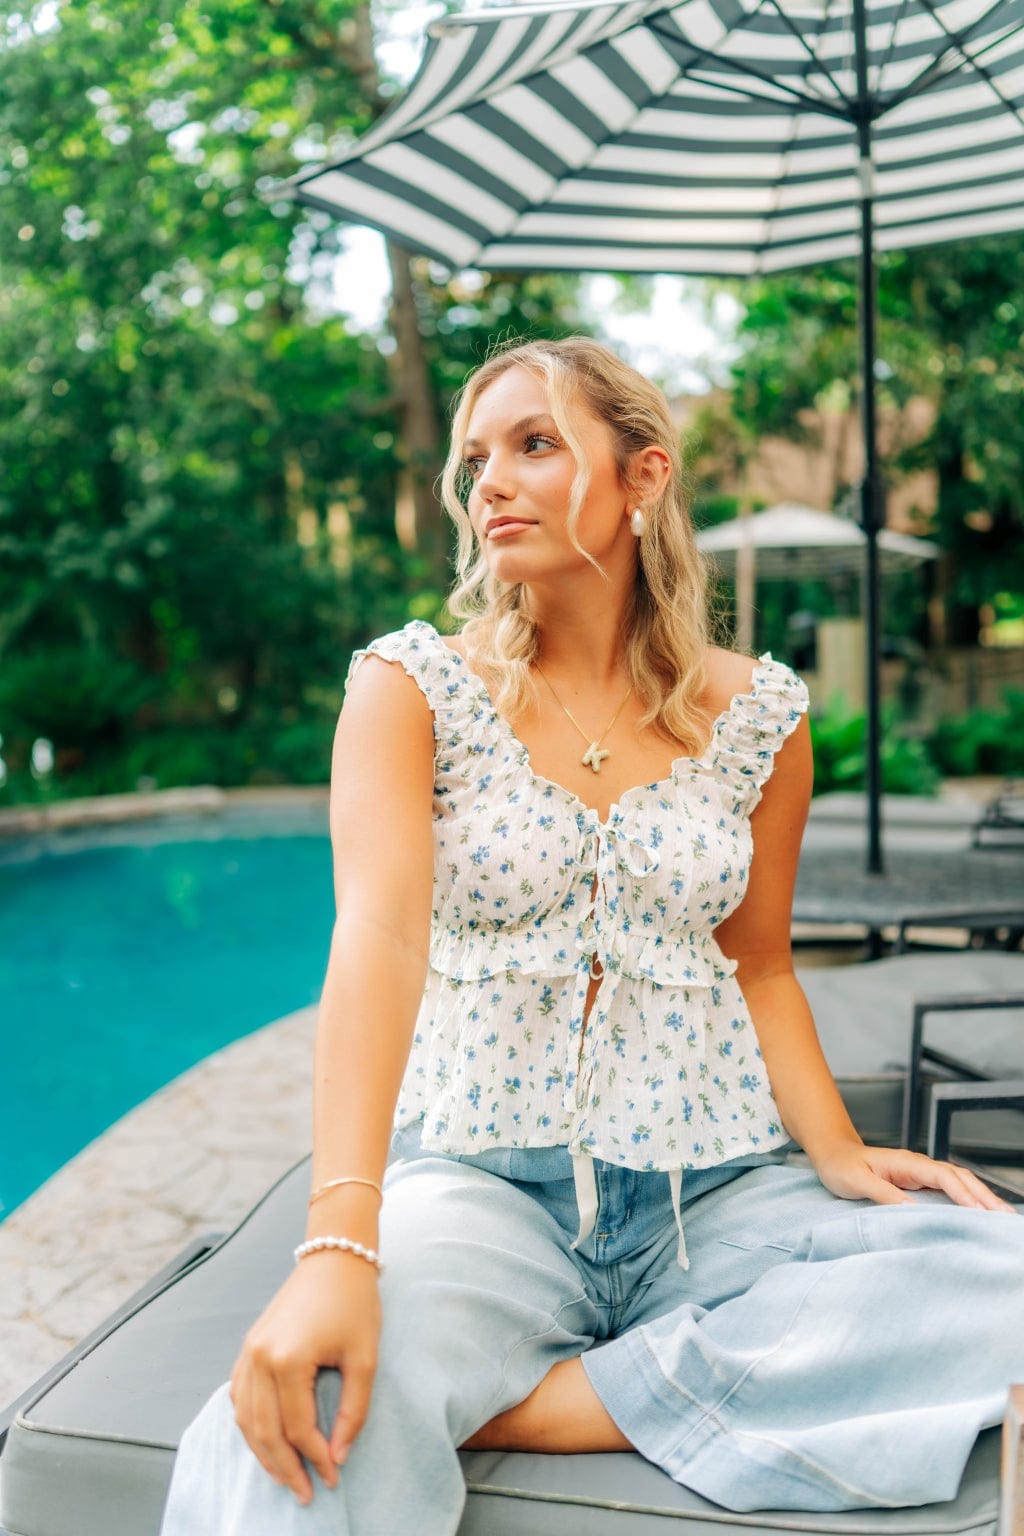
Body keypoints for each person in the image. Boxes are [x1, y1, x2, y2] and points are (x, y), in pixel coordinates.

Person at [160, 337, 1022, 1536]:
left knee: (1012, 1277)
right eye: (476, 459)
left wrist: (836, 1154)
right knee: (312, 1398)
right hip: (480, 1189)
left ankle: (545, 1399)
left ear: (643, 476)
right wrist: (337, 1244)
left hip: (714, 1189)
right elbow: (375, 944)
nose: (489, 484)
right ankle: (609, 1377)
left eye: (535, 444)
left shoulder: (760, 715)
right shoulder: (409, 688)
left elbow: (760, 961)